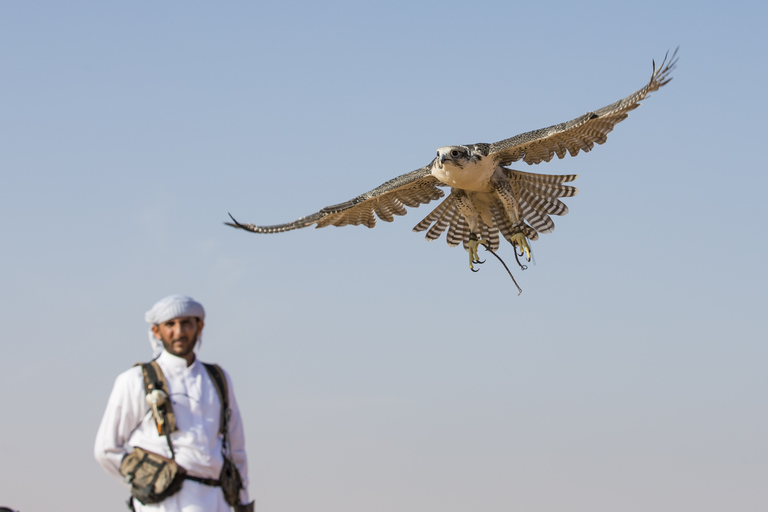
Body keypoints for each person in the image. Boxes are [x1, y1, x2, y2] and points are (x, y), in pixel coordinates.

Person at [95, 295, 254, 512]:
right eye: (170, 324)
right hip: (164, 503)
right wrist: (147, 484)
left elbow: (236, 450)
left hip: (217, 500)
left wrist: (243, 502)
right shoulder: (136, 380)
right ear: (156, 332)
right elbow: (106, 448)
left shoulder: (218, 379)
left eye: (186, 323)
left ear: (199, 327)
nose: (179, 332)